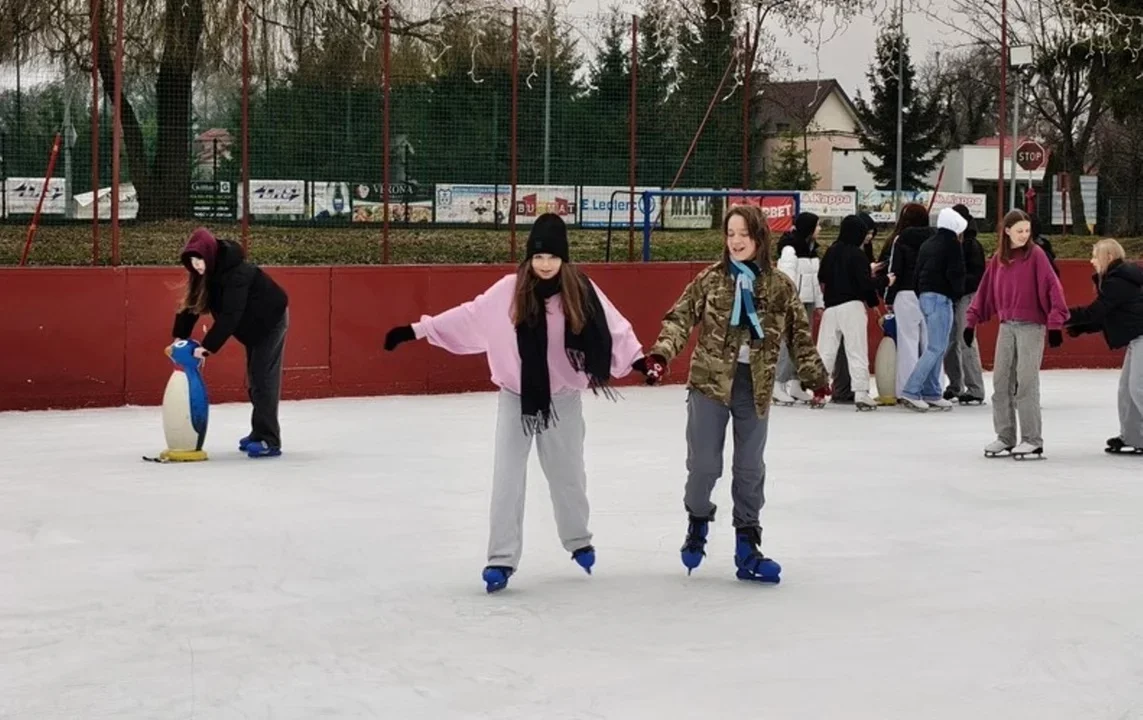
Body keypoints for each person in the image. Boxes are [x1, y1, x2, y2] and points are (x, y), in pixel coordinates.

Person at [382, 214, 647, 593]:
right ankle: (500, 559)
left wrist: (639, 361)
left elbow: (615, 328)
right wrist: (417, 330)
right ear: (528, 258)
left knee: (568, 476)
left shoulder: (581, 291)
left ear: (564, 258)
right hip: (515, 397)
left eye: (552, 256)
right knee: (507, 477)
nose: (545, 264)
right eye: (538, 256)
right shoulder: (508, 291)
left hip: (563, 399)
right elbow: (469, 316)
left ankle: (578, 539)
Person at [641, 204, 828, 584]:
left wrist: (815, 377)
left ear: (760, 237)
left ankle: (748, 546)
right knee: (704, 466)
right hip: (709, 383)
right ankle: (698, 519)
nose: (736, 241)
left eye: (744, 234)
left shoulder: (779, 286)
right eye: (730, 234)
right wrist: (660, 355)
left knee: (749, 468)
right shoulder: (711, 280)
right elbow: (679, 319)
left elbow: (799, 336)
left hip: (754, 386)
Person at [172, 227, 289, 458]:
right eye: (192, 262)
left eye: (199, 260)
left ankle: (269, 439)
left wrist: (207, 347)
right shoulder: (206, 272)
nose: (197, 266)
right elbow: (191, 305)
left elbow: (230, 316)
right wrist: (180, 335)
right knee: (255, 380)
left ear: (209, 255)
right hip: (251, 326)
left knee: (263, 380)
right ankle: (258, 432)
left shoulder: (238, 273)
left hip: (270, 321)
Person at [966, 209, 1069, 459]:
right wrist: (971, 322)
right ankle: (1005, 437)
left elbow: (1053, 288)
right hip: (1007, 326)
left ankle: (1032, 439)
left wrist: (1055, 324)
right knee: (1001, 383)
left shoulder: (1036, 255)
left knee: (1026, 383)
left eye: (1027, 231)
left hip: (1031, 327)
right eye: (1019, 230)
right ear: (1007, 231)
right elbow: (984, 291)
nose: (1024, 235)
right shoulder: (999, 259)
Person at [1063, 239, 1143, 454]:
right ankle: (1134, 437)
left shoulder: (1118, 281)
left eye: (1095, 255)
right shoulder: (1118, 278)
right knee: (1126, 390)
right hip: (1137, 338)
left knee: (1138, 388)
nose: (1092, 260)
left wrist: (1061, 314)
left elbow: (1095, 311)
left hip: (1141, 337)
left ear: (1108, 257)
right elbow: (1108, 315)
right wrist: (1083, 328)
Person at [899, 207, 967, 411]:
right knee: (936, 347)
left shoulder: (928, 244)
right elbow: (956, 273)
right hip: (941, 298)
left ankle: (932, 391)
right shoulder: (952, 245)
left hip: (925, 296)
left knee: (936, 346)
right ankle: (912, 390)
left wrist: (921, 293)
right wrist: (956, 293)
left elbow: (917, 272)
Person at [815, 214, 881, 410]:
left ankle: (819, 392)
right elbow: (865, 284)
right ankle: (861, 392)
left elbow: (822, 275)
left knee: (825, 351)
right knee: (856, 350)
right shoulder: (857, 255)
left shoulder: (831, 251)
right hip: (852, 306)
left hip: (831, 308)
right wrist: (884, 282)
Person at [876, 203, 933, 401]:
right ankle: (931, 388)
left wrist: (888, 297)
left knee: (908, 343)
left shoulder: (900, 239)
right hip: (930, 293)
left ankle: (907, 390)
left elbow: (895, 270)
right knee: (930, 345)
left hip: (906, 294)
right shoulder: (934, 238)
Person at [773, 212, 823, 405]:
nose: (820, 229)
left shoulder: (812, 249)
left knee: (803, 344)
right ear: (808, 227)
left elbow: (815, 280)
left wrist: (819, 303)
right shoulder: (790, 248)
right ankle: (778, 383)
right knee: (789, 342)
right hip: (794, 303)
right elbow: (787, 279)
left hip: (808, 302)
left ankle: (796, 383)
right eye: (817, 226)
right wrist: (790, 303)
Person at [942, 204, 987, 405]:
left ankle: (975, 388)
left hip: (966, 296)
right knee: (950, 341)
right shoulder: (951, 242)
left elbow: (977, 275)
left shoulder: (971, 245)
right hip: (952, 296)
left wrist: (957, 284)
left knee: (965, 340)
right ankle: (955, 385)